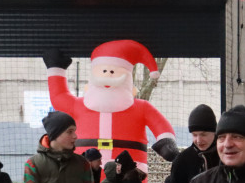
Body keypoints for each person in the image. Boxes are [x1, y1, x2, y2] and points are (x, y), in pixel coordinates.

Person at [42, 40, 178, 171]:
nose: (107, 74)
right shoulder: (78, 106)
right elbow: (59, 98)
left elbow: (159, 124)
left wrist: (166, 142)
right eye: (103, 70)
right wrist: (56, 69)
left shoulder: (142, 108)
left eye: (113, 71)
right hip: (85, 167)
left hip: (130, 168)